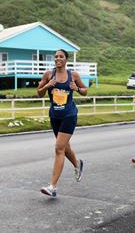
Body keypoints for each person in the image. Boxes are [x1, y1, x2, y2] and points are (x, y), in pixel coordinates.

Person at [37, 49, 87, 197]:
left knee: (59, 148)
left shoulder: (73, 75)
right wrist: (47, 86)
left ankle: (52, 187)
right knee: (64, 148)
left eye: (61, 56)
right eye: (56, 57)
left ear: (66, 60)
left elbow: (85, 90)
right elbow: (38, 93)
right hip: (55, 116)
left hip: (69, 115)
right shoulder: (48, 75)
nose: (58, 59)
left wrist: (76, 88)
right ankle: (78, 164)